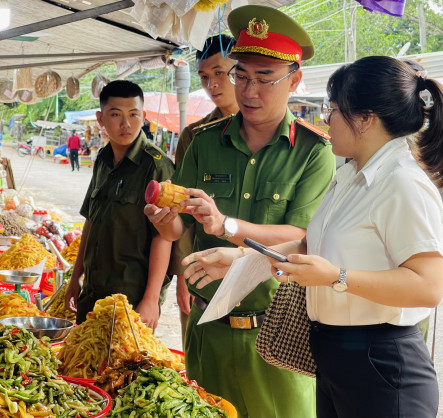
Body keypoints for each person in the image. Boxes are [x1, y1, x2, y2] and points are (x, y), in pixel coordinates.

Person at [182, 55, 443, 418]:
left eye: (333, 110)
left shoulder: (402, 183)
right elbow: (309, 246)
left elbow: (428, 286)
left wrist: (335, 278)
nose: (325, 120)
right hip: (336, 355)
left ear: (365, 119)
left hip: (381, 363)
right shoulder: (350, 177)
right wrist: (242, 259)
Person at [144, 5, 336, 417]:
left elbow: (303, 238)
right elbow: (181, 226)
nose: (249, 92)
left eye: (265, 79)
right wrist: (167, 223)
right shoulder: (205, 143)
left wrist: (226, 224)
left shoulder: (315, 153)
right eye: (241, 76)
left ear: (295, 80)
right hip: (207, 330)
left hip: (278, 335)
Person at [65, 80, 175, 330]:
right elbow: (91, 221)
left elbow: (164, 237)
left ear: (144, 116)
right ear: (100, 119)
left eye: (134, 114)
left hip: (131, 299)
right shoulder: (103, 160)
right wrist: (75, 279)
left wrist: (151, 299)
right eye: (115, 115)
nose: (126, 124)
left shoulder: (156, 165)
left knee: (122, 367)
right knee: (83, 361)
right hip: (93, 293)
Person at [170, 33, 239, 346]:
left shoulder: (279, 134)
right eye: (204, 77)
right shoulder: (194, 136)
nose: (212, 85)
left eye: (220, 74)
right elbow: (182, 210)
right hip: (202, 274)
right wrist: (183, 272)